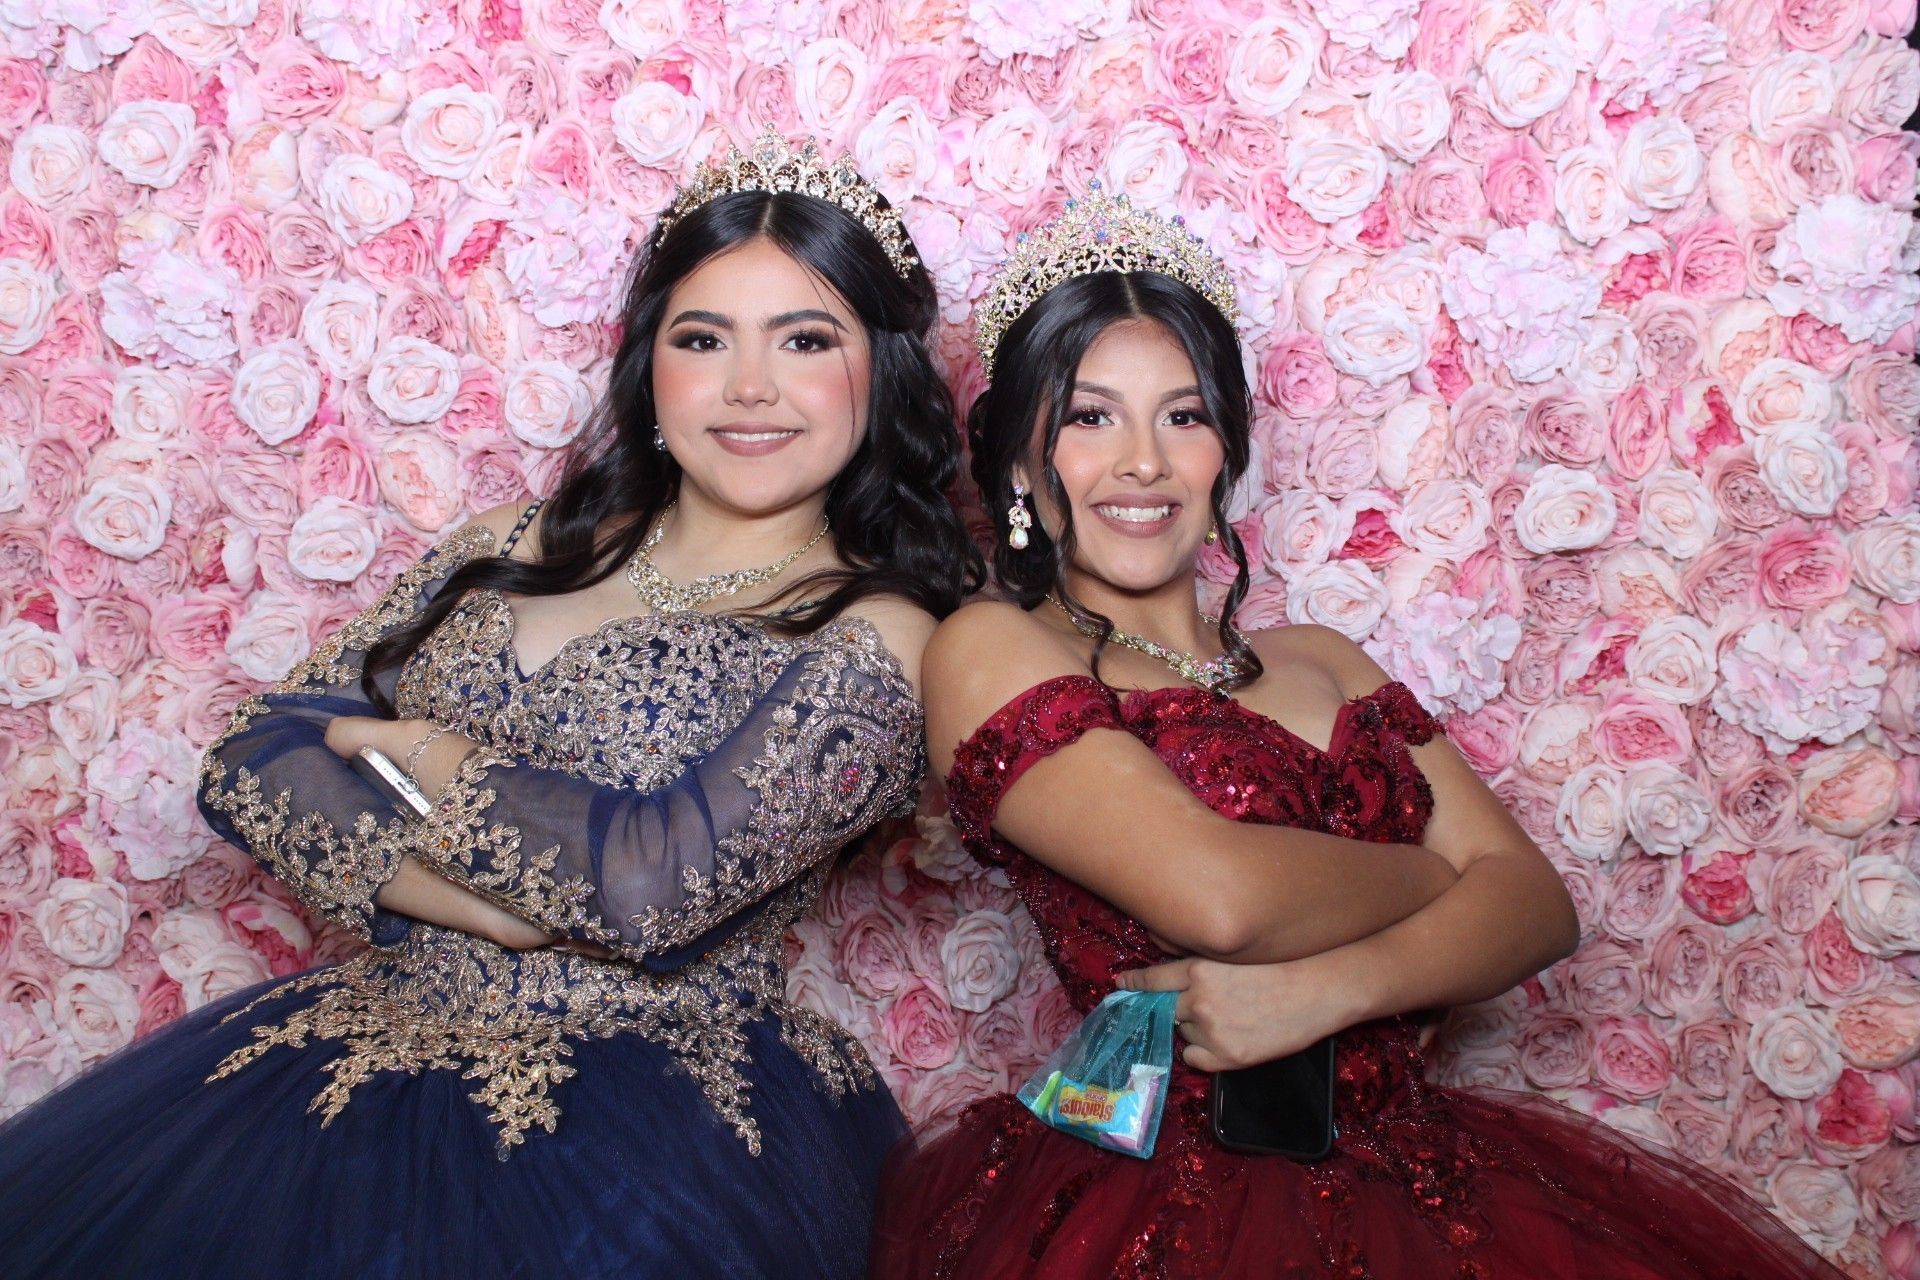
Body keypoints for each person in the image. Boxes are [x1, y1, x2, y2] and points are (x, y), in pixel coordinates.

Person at [0, 131, 982, 1280]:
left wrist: (422, 753)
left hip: (645, 1139)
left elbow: (650, 884)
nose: (750, 386)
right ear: (651, 368)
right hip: (351, 1073)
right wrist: (455, 899)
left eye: (806, 339)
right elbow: (257, 751)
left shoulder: (882, 631)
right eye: (703, 338)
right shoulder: (520, 542)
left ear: (880, 373)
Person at [868, 187, 1846, 1280]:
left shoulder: (1324, 658)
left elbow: (1536, 906)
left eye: (1183, 416)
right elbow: (1222, 899)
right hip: (1175, 1195)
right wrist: (1440, 880)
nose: (1143, 461)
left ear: (1226, 450)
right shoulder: (993, 647)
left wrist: (1324, 990)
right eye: (1090, 418)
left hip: (1425, 1174)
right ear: (1016, 459)